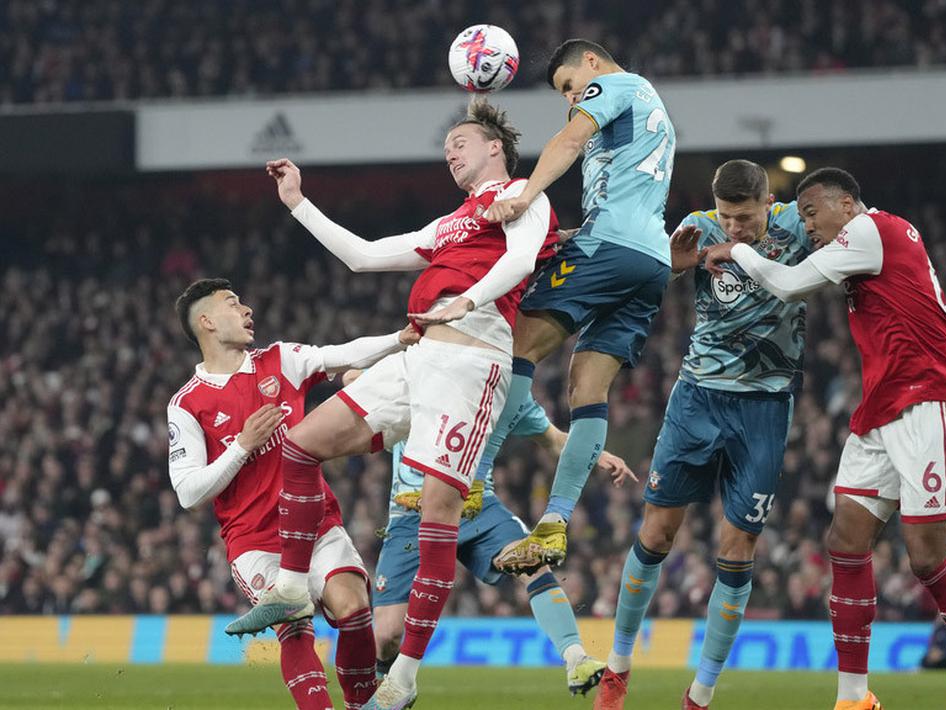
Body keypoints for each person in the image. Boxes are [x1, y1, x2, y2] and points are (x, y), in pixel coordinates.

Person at [224, 99, 559, 710]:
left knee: (435, 518)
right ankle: (294, 586)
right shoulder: (451, 222)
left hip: (470, 359)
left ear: (495, 149)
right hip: (418, 355)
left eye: (460, 141)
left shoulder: (523, 196)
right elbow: (363, 255)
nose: (450, 151)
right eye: (447, 146)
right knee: (302, 443)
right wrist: (299, 202)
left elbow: (517, 260)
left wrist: (467, 301)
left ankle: (401, 679)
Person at [706, 167, 946, 710]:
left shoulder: (871, 231)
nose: (809, 227)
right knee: (845, 541)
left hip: (930, 400)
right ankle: (853, 698)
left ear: (845, 204)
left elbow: (789, 281)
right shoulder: (871, 240)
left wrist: (736, 251)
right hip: (883, 406)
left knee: (926, 560)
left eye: (811, 214)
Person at [592, 160, 813, 710]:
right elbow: (648, 278)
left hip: (765, 407)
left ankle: (701, 694)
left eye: (745, 218)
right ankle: (617, 667)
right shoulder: (698, 226)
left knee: (737, 550)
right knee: (657, 533)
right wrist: (670, 265)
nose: (734, 229)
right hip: (698, 397)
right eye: (726, 218)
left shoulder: (799, 227)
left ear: (768, 203)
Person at [168, 278, 416, 709]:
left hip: (317, 526)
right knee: (294, 621)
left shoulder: (280, 360)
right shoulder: (186, 405)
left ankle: (362, 703)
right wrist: (242, 446)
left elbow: (343, 353)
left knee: (354, 608)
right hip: (254, 543)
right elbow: (189, 493)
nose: (246, 310)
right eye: (233, 303)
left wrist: (400, 338)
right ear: (206, 322)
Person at [481, 39, 676, 575]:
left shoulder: (615, 85)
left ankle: (473, 481)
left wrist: (523, 198)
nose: (572, 99)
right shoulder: (650, 109)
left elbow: (569, 140)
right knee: (586, 388)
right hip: (648, 261)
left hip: (612, 245)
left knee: (519, 344)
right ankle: (555, 523)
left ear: (591, 63)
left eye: (570, 86)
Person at [344, 368, 634, 698]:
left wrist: (598, 454)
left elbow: (552, 438)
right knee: (385, 636)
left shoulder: (508, 391)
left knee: (532, 560)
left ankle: (575, 657)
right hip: (412, 512)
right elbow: (351, 378)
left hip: (475, 506)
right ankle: (393, 684)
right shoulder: (425, 369)